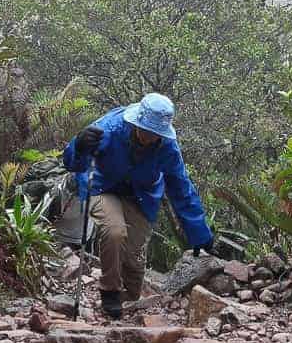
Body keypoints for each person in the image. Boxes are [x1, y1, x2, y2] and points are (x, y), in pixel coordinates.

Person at [63, 93, 213, 319]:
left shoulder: (168, 148)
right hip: (103, 186)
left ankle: (126, 299)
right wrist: (79, 146)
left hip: (141, 195)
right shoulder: (109, 129)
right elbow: (73, 163)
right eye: (146, 130)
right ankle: (109, 291)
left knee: (133, 260)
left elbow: (181, 188)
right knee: (114, 232)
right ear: (135, 123)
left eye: (155, 133)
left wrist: (200, 235)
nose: (149, 137)